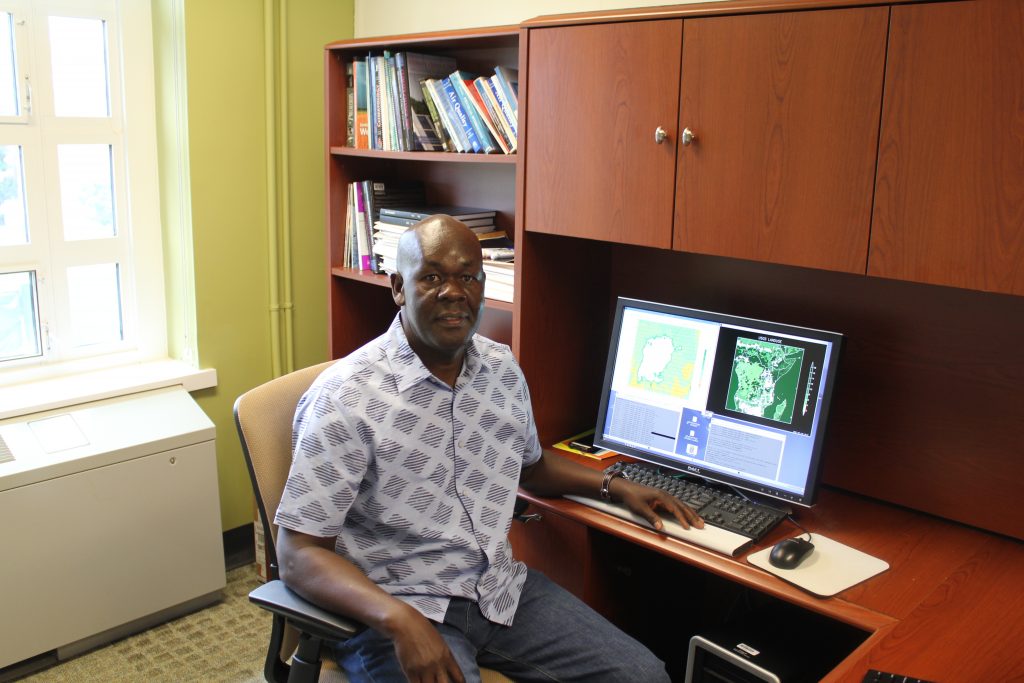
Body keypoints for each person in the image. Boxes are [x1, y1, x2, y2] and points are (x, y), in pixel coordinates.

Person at [275, 215, 703, 683]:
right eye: (433, 276)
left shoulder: (500, 369)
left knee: (645, 676)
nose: (454, 292)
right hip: (394, 604)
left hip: (496, 590)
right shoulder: (347, 396)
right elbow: (298, 553)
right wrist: (400, 620)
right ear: (398, 287)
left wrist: (614, 485)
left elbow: (531, 468)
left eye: (468, 277)